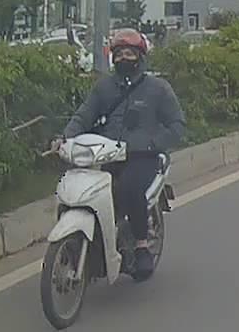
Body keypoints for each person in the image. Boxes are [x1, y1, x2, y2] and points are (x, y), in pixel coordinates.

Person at [56, 29, 186, 276]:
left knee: (129, 187)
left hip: (143, 157)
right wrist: (65, 137)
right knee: (76, 190)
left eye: (129, 53)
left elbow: (177, 125)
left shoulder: (158, 88)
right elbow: (83, 116)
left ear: (140, 56)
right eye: (119, 54)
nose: (123, 58)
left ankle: (141, 246)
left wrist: (152, 143)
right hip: (105, 155)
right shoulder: (103, 87)